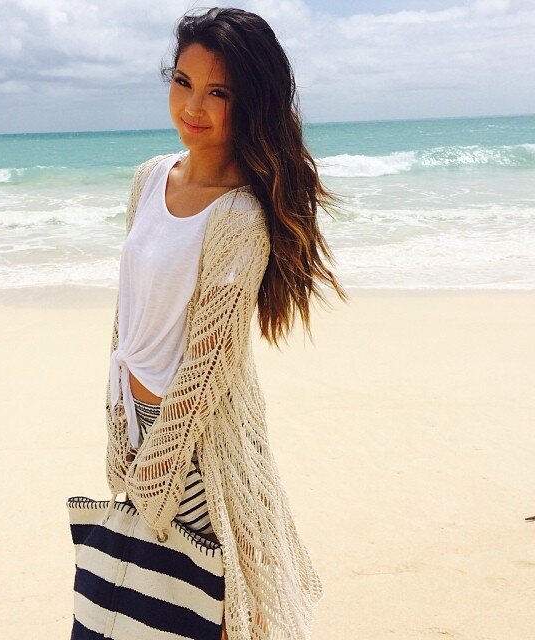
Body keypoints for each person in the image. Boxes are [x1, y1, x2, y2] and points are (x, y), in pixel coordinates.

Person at [106, 7, 349, 640]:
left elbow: (206, 368)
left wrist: (157, 471)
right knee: (159, 605)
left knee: (210, 605)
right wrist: (119, 424)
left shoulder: (239, 217)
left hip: (197, 443)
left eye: (218, 92)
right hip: (136, 425)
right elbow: (127, 317)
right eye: (183, 82)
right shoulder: (148, 178)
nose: (194, 106)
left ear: (250, 104)